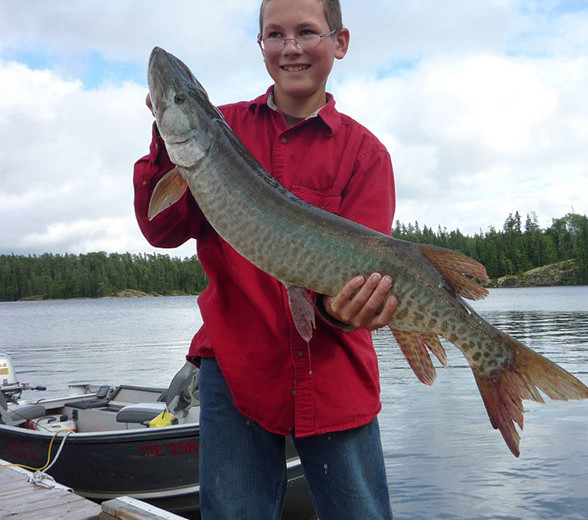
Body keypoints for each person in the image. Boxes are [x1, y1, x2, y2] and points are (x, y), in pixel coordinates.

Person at [133, 0, 396, 518]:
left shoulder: (367, 155)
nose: (291, 47)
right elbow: (161, 229)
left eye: (306, 32)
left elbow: (362, 278)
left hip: (334, 373)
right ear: (261, 46)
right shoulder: (220, 128)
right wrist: (167, 137)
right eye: (275, 34)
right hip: (235, 368)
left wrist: (346, 308)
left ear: (339, 43)